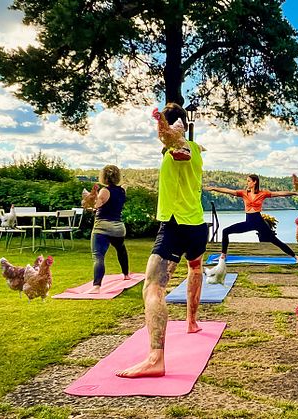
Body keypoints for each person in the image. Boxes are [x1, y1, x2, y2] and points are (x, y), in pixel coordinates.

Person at [116, 103, 208, 378]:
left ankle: (155, 358)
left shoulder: (183, 146)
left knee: (152, 286)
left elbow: (181, 151)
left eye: (162, 125)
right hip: (197, 226)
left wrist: (174, 145)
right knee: (195, 268)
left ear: (171, 125)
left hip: (175, 224)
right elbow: (185, 151)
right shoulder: (196, 149)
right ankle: (191, 322)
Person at [205, 175, 298, 263]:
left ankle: (296, 257)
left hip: (259, 222)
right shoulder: (243, 193)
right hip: (248, 222)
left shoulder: (262, 194)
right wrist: (214, 188)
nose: (247, 183)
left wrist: (293, 193)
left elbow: (279, 193)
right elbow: (228, 191)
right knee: (225, 231)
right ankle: (223, 256)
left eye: (248, 181)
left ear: (254, 182)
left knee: (275, 240)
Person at [88, 164, 133, 294]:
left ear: (104, 177)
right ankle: (126, 274)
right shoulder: (122, 190)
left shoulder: (104, 191)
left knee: (98, 256)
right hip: (118, 228)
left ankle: (96, 286)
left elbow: (96, 205)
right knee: (121, 249)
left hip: (102, 227)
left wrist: (89, 203)